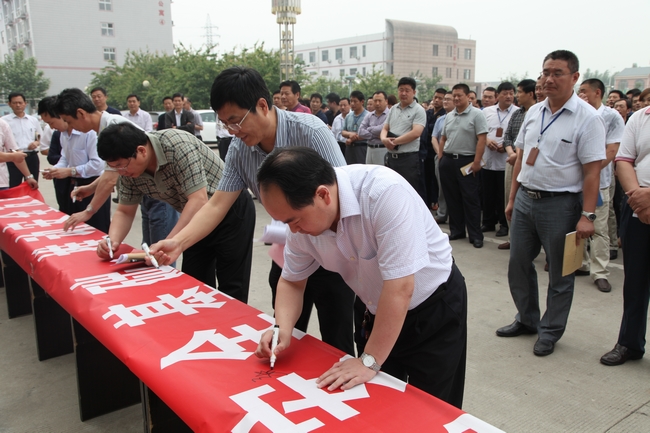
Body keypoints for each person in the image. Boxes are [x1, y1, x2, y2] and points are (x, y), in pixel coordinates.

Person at [149, 66, 356, 356]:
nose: (232, 131)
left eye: (236, 121)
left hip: (331, 254)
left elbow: (342, 196)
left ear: (262, 105)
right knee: (285, 338)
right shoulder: (239, 149)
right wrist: (178, 242)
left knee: (337, 342)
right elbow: (217, 204)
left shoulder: (311, 132)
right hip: (290, 250)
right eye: (225, 124)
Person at [254, 147, 467, 409]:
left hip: (432, 311)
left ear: (323, 195)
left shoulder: (383, 193)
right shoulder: (301, 226)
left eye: (294, 221)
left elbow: (401, 288)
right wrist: (282, 329)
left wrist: (369, 360)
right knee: (378, 407)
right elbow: (291, 281)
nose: (292, 231)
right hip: (374, 309)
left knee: (432, 409)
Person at [496, 50, 605, 357]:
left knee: (560, 273)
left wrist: (587, 215)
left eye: (557, 73)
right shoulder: (534, 112)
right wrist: (513, 197)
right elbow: (520, 158)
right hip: (525, 200)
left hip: (562, 205)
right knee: (518, 264)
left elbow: (592, 172)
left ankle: (550, 331)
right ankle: (527, 319)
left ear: (574, 77)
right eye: (546, 72)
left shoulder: (588, 118)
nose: (549, 79)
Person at [95, 123, 255, 302]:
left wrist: (171, 241)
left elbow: (198, 199)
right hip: (194, 218)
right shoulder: (129, 172)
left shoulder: (177, 145)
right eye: (115, 168)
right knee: (195, 283)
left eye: (121, 166)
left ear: (141, 151)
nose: (121, 172)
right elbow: (124, 211)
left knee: (232, 285)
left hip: (229, 209)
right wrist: (112, 242)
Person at [53, 88, 179, 246]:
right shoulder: (105, 129)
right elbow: (111, 171)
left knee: (160, 249)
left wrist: (88, 211)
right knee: (149, 248)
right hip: (146, 190)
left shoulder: (115, 127)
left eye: (69, 121)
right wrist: (91, 188)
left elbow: (111, 179)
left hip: (160, 190)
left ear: (80, 113)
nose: (70, 126)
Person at [600, 104, 650, 366]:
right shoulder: (641, 117)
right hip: (638, 204)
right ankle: (629, 342)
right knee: (635, 281)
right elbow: (624, 160)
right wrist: (639, 201)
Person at [575, 79, 625, 292]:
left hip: (598, 182)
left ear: (598, 92)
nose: (581, 95)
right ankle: (581, 263)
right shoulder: (577, 113)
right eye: (579, 91)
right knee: (575, 225)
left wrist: (590, 170)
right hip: (574, 183)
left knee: (598, 228)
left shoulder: (611, 116)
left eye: (584, 91)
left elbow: (612, 150)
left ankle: (600, 272)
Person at [38, 96, 110, 232]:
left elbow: (97, 165)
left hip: (93, 186)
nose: (51, 127)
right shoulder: (63, 134)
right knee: (75, 229)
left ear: (60, 116)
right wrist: (56, 170)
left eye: (51, 122)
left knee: (96, 229)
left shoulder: (89, 132)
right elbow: (65, 158)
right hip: (74, 187)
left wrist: (70, 171)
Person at [438, 83, 488, 248]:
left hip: (467, 161)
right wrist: (441, 157)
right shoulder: (449, 115)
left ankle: (475, 235)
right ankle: (457, 230)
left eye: (459, 95)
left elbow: (482, 139)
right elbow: (443, 138)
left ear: (468, 96)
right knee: (452, 198)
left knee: (470, 199)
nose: (456, 98)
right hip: (448, 161)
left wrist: (477, 162)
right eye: (454, 95)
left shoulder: (477, 114)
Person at [499, 79, 537, 250]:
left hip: (531, 163)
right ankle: (512, 237)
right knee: (510, 197)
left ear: (530, 94)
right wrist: (512, 154)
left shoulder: (539, 113)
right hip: (513, 160)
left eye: (519, 92)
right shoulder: (517, 114)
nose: (516, 95)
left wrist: (520, 155)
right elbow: (507, 136)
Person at [481, 82, 518, 238]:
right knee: (487, 193)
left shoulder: (517, 112)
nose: (508, 96)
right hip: (488, 159)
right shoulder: (486, 112)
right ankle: (488, 222)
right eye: (505, 93)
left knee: (503, 195)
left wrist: (509, 146)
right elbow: (480, 131)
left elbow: (520, 136)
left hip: (506, 160)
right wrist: (487, 140)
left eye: (511, 93)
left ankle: (504, 224)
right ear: (498, 96)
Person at [380, 77, 426, 193]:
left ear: (414, 92)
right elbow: (385, 128)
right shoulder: (393, 109)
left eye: (407, 90)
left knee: (408, 191)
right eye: (401, 90)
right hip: (391, 158)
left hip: (408, 159)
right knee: (391, 191)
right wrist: (384, 139)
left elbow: (416, 133)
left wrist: (394, 142)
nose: (403, 93)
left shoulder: (418, 110)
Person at [2, 92, 44, 186]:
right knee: (13, 185)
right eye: (14, 103)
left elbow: (41, 137)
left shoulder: (33, 120)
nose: (18, 105)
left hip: (31, 156)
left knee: (32, 185)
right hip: (13, 158)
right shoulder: (4, 122)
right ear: (9, 104)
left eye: (20, 102)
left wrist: (36, 143)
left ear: (25, 103)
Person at [431, 92, 454, 225]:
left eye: (448, 99)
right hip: (441, 157)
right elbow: (434, 137)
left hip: (455, 157)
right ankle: (442, 214)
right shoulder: (440, 119)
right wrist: (439, 153)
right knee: (441, 187)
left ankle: (455, 215)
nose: (445, 102)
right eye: (444, 99)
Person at [0, 117, 38, 191]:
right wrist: (12, 156)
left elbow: (14, 151)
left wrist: (28, 176)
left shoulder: (2, 124)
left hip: (2, 182)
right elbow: (14, 155)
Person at [358, 91, 389, 165]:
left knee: (381, 171)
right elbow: (360, 132)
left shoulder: (390, 114)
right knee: (369, 171)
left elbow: (381, 129)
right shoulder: (369, 115)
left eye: (380, 101)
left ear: (386, 101)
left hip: (383, 149)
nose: (377, 103)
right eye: (375, 101)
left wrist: (369, 129)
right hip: (369, 149)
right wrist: (376, 135)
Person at [341, 90, 368, 165]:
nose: (352, 104)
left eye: (355, 101)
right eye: (351, 101)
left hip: (362, 147)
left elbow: (369, 133)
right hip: (350, 148)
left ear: (362, 102)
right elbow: (343, 131)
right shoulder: (348, 116)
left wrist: (352, 138)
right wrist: (350, 134)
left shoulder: (368, 116)